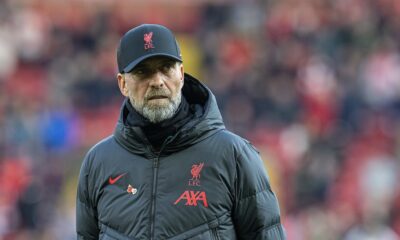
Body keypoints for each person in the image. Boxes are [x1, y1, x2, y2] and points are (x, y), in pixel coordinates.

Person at [76, 23, 286, 240]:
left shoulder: (233, 155)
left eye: (166, 68)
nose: (157, 81)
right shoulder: (97, 163)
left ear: (182, 74)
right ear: (123, 84)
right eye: (142, 72)